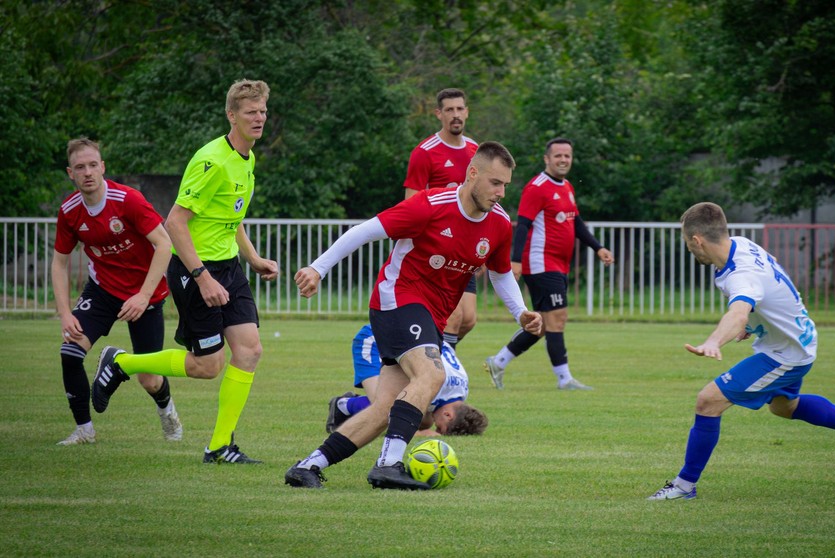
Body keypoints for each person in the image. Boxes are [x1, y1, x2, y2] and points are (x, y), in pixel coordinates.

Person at [286, 141, 542, 490]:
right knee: (432, 375)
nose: (500, 193)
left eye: (505, 186)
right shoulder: (430, 205)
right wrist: (317, 269)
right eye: (495, 183)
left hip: (430, 317)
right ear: (473, 173)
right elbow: (364, 231)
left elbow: (499, 274)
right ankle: (389, 464)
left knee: (384, 410)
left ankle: (308, 467)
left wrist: (521, 313)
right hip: (397, 299)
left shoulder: (498, 224)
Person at [648, 202, 835, 501]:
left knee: (708, 402)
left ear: (697, 239)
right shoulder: (741, 244)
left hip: (784, 353)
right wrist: (757, 323)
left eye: (688, 243)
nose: (690, 250)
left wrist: (715, 340)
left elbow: (738, 312)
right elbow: (772, 269)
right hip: (798, 341)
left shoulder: (741, 275)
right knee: (784, 408)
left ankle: (684, 486)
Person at [91, 79, 279, 464]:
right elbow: (175, 222)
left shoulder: (248, 159)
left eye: (262, 111)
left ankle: (220, 446)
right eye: (250, 112)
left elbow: (232, 217)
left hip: (228, 267)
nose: (258, 118)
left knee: (249, 350)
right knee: (207, 366)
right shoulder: (212, 160)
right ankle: (121, 362)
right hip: (196, 270)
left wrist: (254, 259)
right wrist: (202, 277)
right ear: (232, 115)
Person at [52, 137, 183, 445]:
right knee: (70, 353)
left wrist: (143, 295)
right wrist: (63, 314)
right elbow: (59, 264)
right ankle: (84, 430)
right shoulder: (70, 211)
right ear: (70, 173)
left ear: (103, 167)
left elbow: (165, 243)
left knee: (149, 378)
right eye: (80, 167)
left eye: (93, 165)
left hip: (146, 294)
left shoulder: (128, 200)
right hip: (102, 291)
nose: (87, 172)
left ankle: (167, 411)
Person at [484, 138, 614, 391]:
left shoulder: (566, 187)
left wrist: (598, 247)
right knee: (557, 319)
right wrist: (516, 260)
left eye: (567, 156)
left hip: (557, 265)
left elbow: (575, 223)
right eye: (558, 156)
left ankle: (498, 361)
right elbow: (523, 225)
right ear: (547, 159)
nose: (563, 160)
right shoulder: (537, 187)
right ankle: (564, 379)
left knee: (542, 324)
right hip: (541, 263)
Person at [404, 88, 480, 351]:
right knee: (453, 316)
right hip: (437, 247)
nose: (455, 115)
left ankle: (428, 355)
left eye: (460, 109)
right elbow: (410, 203)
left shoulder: (475, 151)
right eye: (449, 110)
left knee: (468, 319)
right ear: (439, 114)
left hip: (465, 247)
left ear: (467, 112)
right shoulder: (425, 152)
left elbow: (481, 201)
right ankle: (441, 376)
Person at [325, 325, 488, 436]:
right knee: (384, 409)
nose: (436, 428)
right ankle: (342, 405)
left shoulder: (460, 390)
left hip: (403, 343)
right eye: (440, 427)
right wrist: (418, 435)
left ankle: (352, 406)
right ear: (448, 414)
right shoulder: (435, 386)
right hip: (374, 341)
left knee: (423, 420)